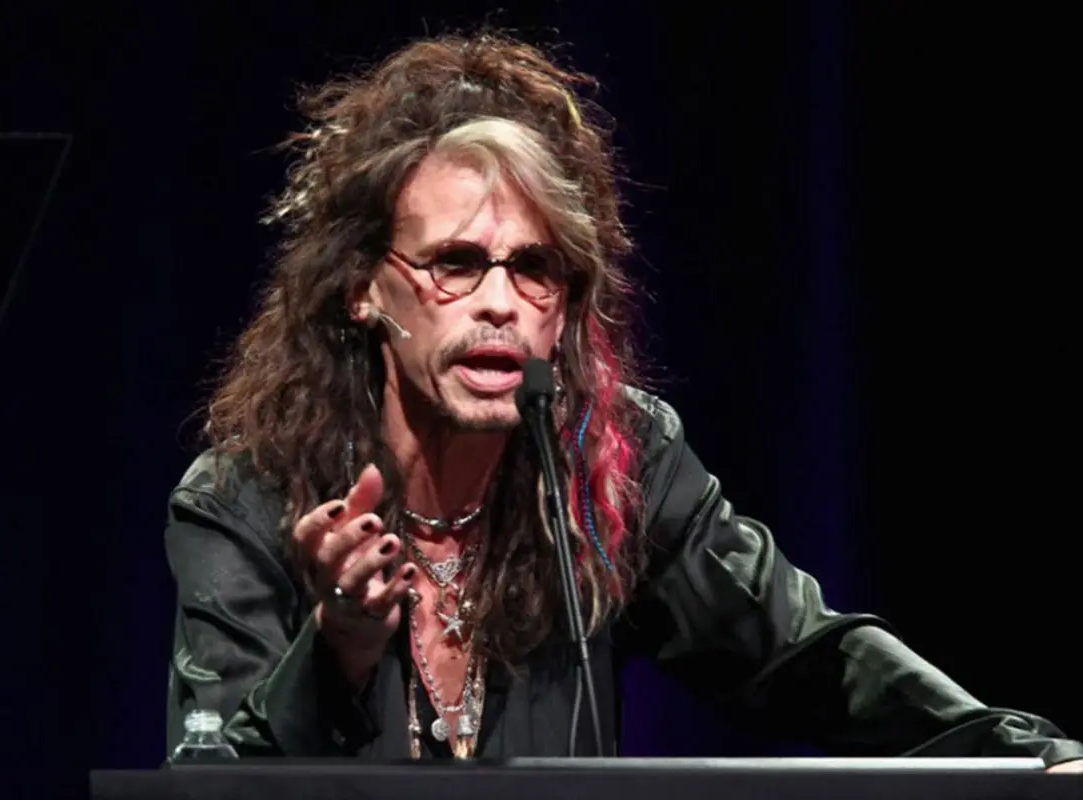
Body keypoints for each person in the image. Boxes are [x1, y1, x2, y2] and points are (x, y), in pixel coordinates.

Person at [162, 31, 1083, 770]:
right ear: (365, 288)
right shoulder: (246, 497)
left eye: (534, 268)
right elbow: (203, 789)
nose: (499, 300)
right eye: (454, 263)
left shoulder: (615, 461)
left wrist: (1033, 758)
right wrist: (338, 649)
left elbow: (805, 659)